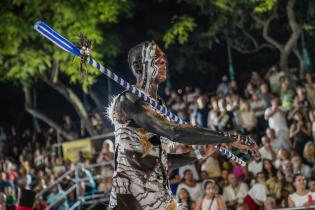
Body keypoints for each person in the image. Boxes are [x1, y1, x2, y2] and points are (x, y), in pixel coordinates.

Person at [106, 41, 258, 210]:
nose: (164, 61)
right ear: (138, 67)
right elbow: (173, 131)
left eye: (164, 57)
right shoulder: (128, 101)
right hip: (131, 198)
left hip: (158, 197)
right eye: (156, 58)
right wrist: (230, 138)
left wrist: (198, 153)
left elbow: (163, 162)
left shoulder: (160, 107)